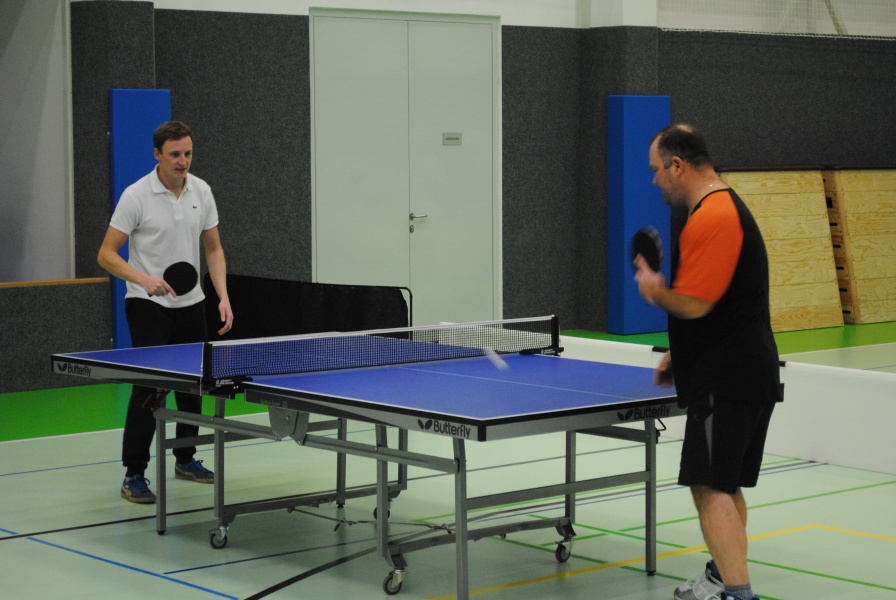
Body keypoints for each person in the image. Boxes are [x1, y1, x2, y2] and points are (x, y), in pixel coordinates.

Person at [634, 124, 783, 600]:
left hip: (728, 380)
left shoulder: (713, 216)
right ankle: (722, 578)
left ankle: (738, 594)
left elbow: (696, 303)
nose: (655, 180)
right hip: (744, 371)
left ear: (677, 165)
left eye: (656, 169)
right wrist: (681, 353)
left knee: (710, 487)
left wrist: (655, 291)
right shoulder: (718, 208)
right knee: (726, 483)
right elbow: (721, 300)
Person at [98, 121, 234, 504]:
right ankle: (134, 473)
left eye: (188, 153)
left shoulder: (201, 191)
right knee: (149, 387)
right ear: (157, 154)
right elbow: (106, 254)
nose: (183, 161)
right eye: (175, 154)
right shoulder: (136, 196)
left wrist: (222, 296)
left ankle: (186, 458)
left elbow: (213, 249)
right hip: (148, 305)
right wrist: (143, 279)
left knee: (193, 385)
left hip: (192, 303)